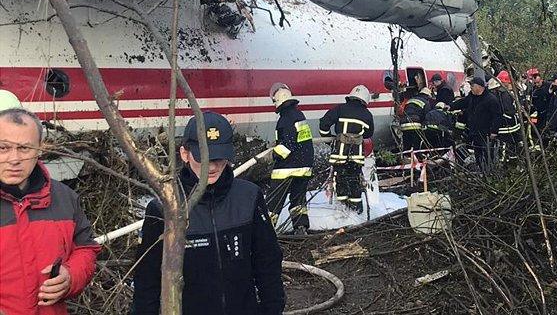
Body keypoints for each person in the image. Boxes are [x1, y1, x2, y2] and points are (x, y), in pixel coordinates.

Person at [131, 111, 284, 315]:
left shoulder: (249, 197)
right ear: (184, 153)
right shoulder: (164, 208)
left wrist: (272, 309)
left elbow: (268, 264)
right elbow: (147, 280)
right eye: (203, 157)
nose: (211, 167)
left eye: (219, 157)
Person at [1, 107, 100, 315]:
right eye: (3, 148)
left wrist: (70, 276)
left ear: (40, 149)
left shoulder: (64, 198)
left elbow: (86, 249)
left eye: (24, 148)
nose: (14, 159)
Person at [320, 85, 375, 213]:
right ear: (365, 100)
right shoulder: (367, 114)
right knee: (355, 182)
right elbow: (368, 134)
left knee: (341, 181)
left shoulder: (340, 109)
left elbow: (324, 123)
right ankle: (356, 212)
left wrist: (329, 139)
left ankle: (342, 211)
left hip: (339, 155)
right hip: (356, 158)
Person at [267, 83, 313, 234]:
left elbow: (288, 144)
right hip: (305, 165)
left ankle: (265, 230)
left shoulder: (285, 119)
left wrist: (273, 155)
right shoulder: (299, 115)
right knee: (298, 199)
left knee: (274, 201)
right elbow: (300, 140)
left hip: (287, 167)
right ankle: (300, 227)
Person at [465, 78, 501, 173]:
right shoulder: (472, 97)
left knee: (487, 154)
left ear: (479, 87)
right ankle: (481, 171)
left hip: (486, 133)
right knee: (478, 154)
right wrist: (450, 106)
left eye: (472, 86)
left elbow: (497, 116)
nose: (471, 88)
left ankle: (490, 173)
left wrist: (494, 131)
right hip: (475, 132)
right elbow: (463, 102)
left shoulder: (491, 99)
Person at [493, 71, 522, 162]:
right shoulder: (510, 92)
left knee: (505, 146)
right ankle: (511, 162)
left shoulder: (504, 94)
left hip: (507, 126)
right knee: (512, 146)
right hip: (512, 124)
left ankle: (504, 164)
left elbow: (508, 110)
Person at [400, 87, 429, 153]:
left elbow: (404, 111)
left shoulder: (410, 100)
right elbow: (426, 115)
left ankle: (406, 159)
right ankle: (416, 159)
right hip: (414, 125)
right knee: (416, 146)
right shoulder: (425, 102)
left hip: (404, 124)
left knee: (406, 145)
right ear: (427, 96)